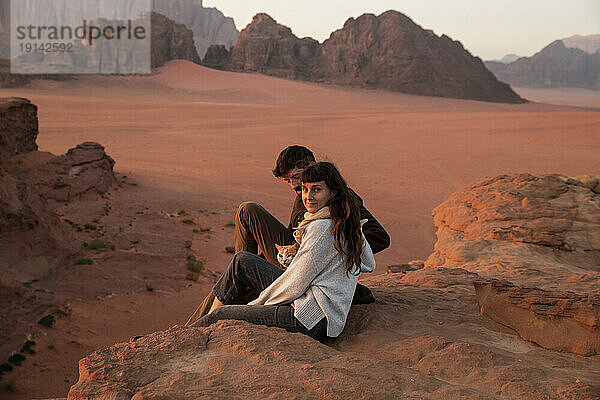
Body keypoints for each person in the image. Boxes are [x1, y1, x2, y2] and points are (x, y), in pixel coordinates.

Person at [185, 145, 390, 325]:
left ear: (312, 166)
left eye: (295, 177)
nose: (294, 186)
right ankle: (226, 295)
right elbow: (295, 232)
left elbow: (380, 237)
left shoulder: (339, 197)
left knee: (248, 213)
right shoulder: (304, 194)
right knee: (241, 260)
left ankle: (207, 317)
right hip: (294, 258)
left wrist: (334, 251)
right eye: (288, 180)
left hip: (307, 275)